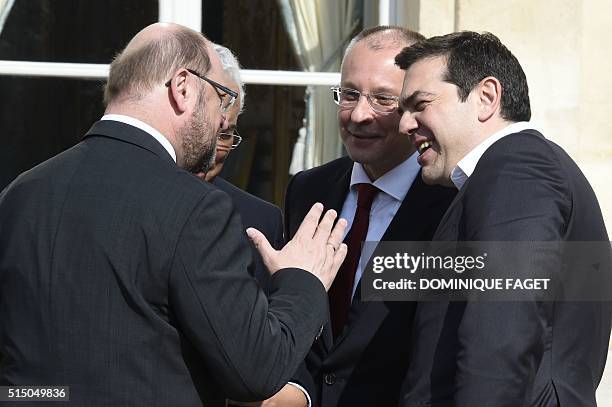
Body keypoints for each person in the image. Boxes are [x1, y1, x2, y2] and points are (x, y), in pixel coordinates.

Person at [0, 22, 349, 406]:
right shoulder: (194, 204)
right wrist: (302, 280)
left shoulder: (21, 192)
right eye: (221, 97)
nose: (221, 121)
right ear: (182, 87)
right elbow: (256, 371)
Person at [395, 31, 611, 406]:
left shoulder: (516, 165)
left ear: (486, 97)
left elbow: (501, 336)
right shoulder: (504, 172)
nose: (405, 125)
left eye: (421, 104)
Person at [268, 26, 456, 407]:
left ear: (415, 107)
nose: (359, 115)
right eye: (349, 94)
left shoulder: (451, 202)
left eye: (383, 99)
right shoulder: (307, 190)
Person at [196, 44, 284, 294]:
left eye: (225, 135)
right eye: (203, 131)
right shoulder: (132, 203)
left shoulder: (261, 222)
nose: (210, 151)